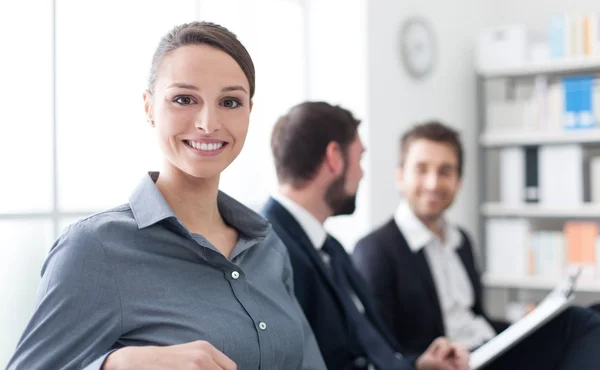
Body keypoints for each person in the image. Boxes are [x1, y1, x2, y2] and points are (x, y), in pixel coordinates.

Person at [7, 22, 326, 370]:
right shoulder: (96, 249)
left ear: (249, 110)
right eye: (184, 99)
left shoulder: (268, 247)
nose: (208, 122)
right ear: (148, 108)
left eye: (230, 101)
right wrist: (115, 365)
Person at [352, 121, 600, 370]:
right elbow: (379, 348)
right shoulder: (376, 250)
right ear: (400, 176)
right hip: (456, 363)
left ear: (458, 181)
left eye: (445, 171)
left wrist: (529, 322)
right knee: (577, 322)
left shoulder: (461, 241)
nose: (433, 183)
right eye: (421, 169)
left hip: (488, 349)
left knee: (591, 313)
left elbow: (476, 318)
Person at [261, 102, 469, 370]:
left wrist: (417, 366)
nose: (362, 173)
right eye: (359, 158)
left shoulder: (329, 248)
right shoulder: (268, 251)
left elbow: (369, 351)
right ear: (335, 158)